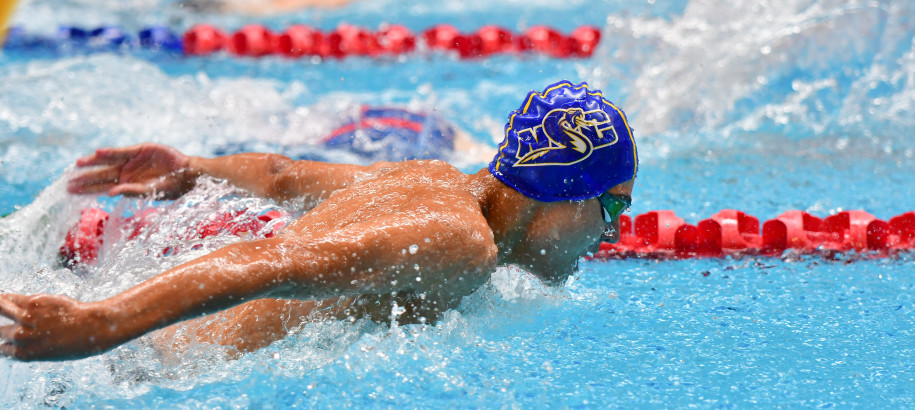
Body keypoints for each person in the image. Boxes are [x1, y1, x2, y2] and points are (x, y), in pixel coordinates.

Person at [0, 80, 637, 361]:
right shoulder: (461, 241)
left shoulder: (431, 179)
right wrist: (101, 323)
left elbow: (282, 176)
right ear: (562, 193)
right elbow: (272, 262)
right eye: (611, 206)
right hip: (144, 366)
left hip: (150, 342)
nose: (610, 233)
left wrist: (193, 169)